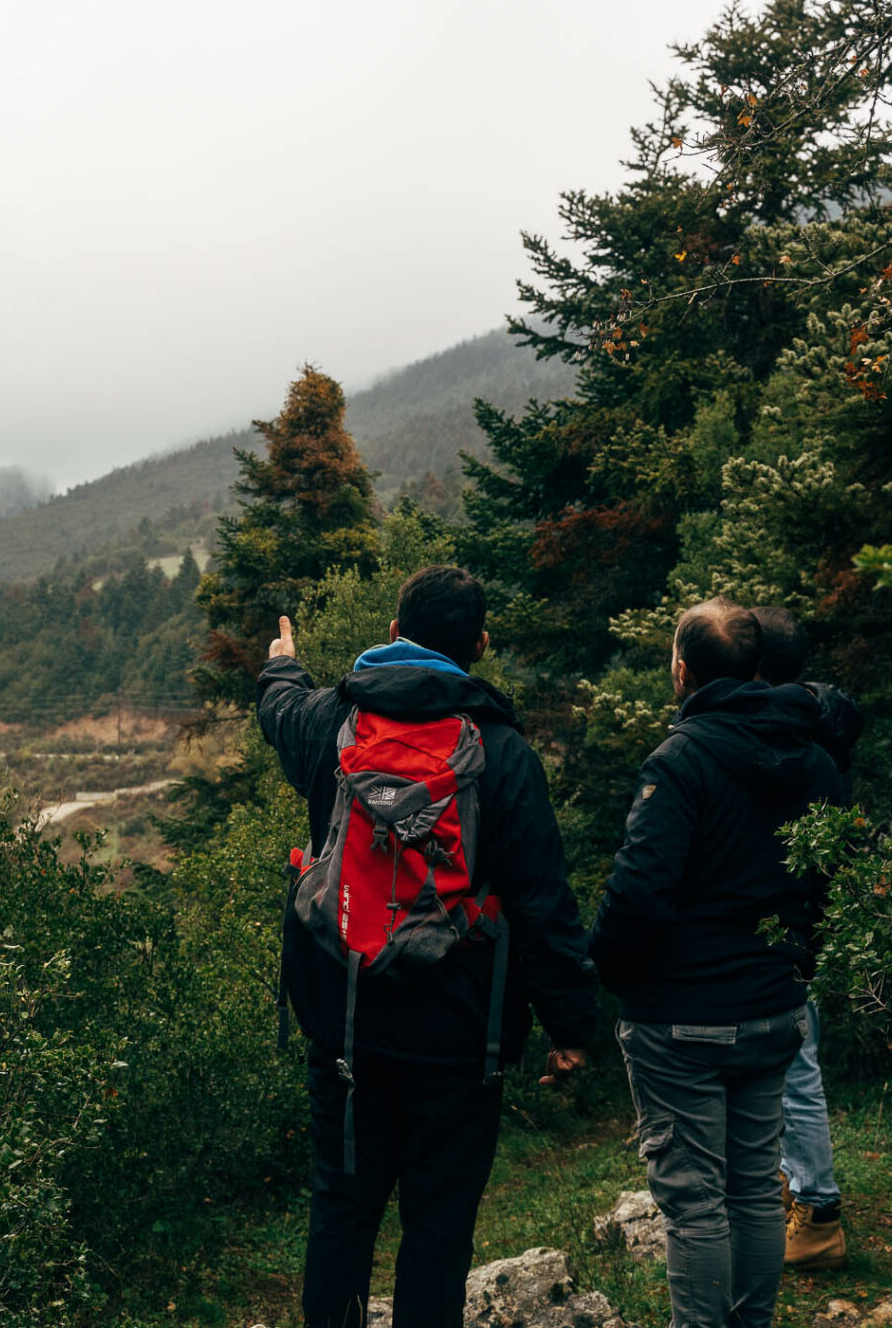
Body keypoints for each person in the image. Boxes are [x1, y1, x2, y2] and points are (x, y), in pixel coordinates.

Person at [258, 566, 599, 1328]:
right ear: (478, 644)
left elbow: (278, 708)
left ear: (390, 631)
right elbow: (543, 902)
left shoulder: (329, 723)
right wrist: (572, 1025)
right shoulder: (502, 750)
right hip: (458, 1035)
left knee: (341, 1217)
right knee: (438, 1231)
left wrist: (283, 660)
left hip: (345, 1024)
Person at [590, 597, 845, 1328]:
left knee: (696, 1199)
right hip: (773, 1006)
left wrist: (616, 973)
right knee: (752, 1192)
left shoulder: (683, 760)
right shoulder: (815, 757)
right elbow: (829, 879)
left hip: (683, 1017)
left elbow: (637, 893)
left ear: (682, 670)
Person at [750, 605, 864, 1273]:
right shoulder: (821, 737)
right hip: (806, 922)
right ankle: (802, 1190)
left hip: (780, 926)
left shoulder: (790, 745)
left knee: (795, 1071)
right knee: (797, 1064)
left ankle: (818, 1209)